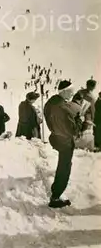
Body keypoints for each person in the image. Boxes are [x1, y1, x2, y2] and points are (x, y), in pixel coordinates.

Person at [44, 80, 80, 208]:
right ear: (63, 92)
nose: (72, 94)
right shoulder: (64, 109)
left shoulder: (50, 103)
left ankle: (56, 193)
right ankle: (56, 197)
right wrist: (79, 121)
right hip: (65, 142)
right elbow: (73, 131)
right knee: (64, 168)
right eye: (70, 92)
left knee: (62, 166)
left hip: (56, 138)